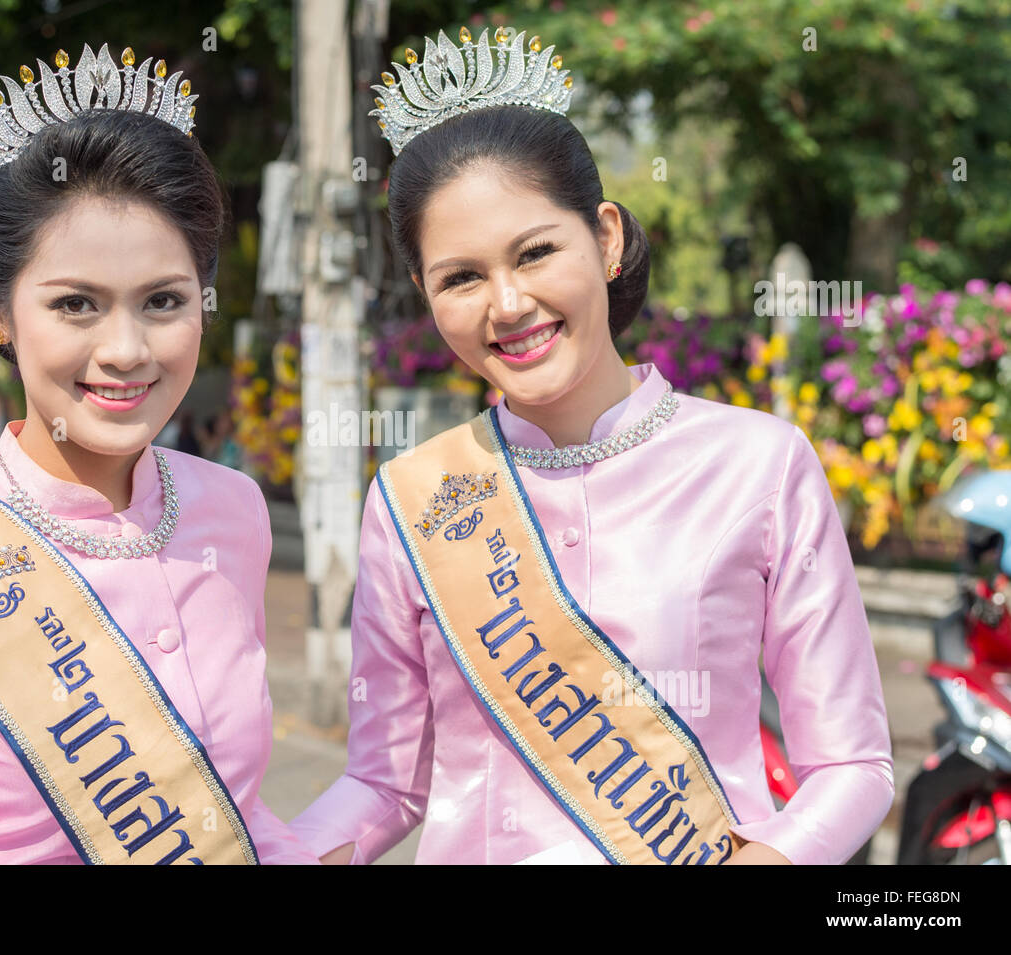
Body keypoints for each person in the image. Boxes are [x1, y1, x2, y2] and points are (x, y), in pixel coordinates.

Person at [289, 26, 894, 865]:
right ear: (427, 294)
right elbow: (387, 782)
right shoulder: (412, 496)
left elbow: (853, 762)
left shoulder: (759, 464)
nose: (507, 303)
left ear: (604, 239)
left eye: (536, 252)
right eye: (461, 277)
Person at [0, 43, 317, 865]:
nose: (126, 349)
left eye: (162, 301)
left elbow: (242, 814)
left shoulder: (232, 511)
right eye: (75, 304)